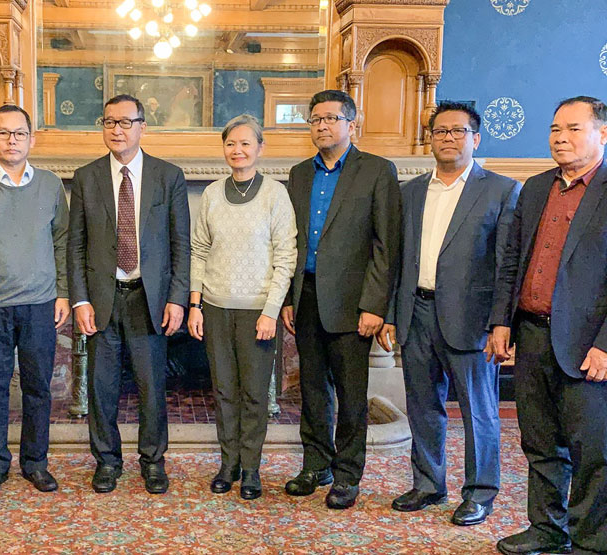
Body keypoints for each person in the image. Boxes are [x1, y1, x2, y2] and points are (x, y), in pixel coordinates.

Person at [490, 97, 607, 555]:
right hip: (531, 336)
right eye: (554, 129)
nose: (560, 138)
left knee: (592, 454)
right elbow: (513, 262)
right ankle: (546, 528)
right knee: (539, 444)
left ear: (602, 134)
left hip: (592, 347)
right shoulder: (534, 188)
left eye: (572, 129)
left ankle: (591, 543)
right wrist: (501, 322)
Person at [376, 102, 520, 525]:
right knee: (423, 406)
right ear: (430, 139)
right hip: (416, 312)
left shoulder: (501, 190)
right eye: (440, 131)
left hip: (472, 320)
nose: (448, 138)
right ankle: (428, 484)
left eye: (458, 131)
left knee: (478, 411)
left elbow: (507, 265)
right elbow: (397, 258)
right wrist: (390, 313)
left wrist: (501, 323)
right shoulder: (410, 192)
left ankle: (480, 492)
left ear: (476, 139)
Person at [280, 89, 401, 510]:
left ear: (352, 123)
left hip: (354, 303)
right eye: (315, 119)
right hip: (306, 296)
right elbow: (290, 241)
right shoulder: (299, 174)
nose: (322, 126)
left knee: (351, 395)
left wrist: (375, 305)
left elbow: (387, 244)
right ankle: (316, 465)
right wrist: (288, 298)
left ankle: (348, 474)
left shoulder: (377, 170)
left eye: (331, 118)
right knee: (312, 389)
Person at [67, 94, 190, 494]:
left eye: (125, 122)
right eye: (109, 122)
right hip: (101, 298)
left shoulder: (168, 176)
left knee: (151, 387)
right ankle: (106, 461)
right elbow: (76, 246)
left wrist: (177, 298)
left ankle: (153, 461)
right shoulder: (86, 177)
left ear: (142, 127)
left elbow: (181, 244)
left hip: (148, 299)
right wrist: (80, 299)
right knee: (102, 388)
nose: (116, 130)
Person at [0, 104, 70, 496]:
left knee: (38, 387)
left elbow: (62, 242)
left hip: (40, 303)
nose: (12, 140)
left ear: (31, 139)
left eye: (19, 133)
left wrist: (64, 293)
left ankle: (35, 463)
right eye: (3, 133)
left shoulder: (50, 185)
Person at [186, 115, 296, 500]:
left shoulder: (275, 195)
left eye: (246, 143)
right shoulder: (212, 194)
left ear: (260, 149)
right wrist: (195, 303)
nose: (238, 150)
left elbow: (286, 256)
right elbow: (199, 250)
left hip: (257, 313)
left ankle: (251, 468)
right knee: (223, 392)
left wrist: (271, 310)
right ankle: (228, 463)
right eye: (231, 143)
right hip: (216, 307)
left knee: (253, 395)